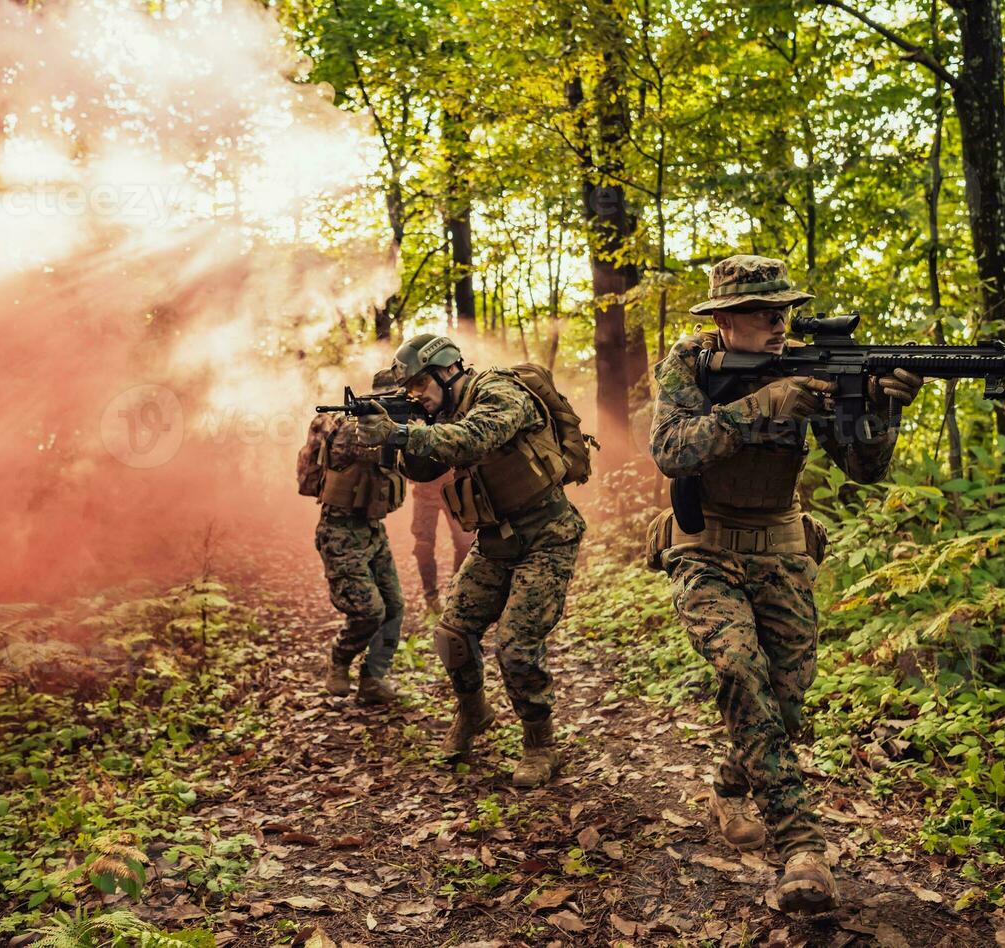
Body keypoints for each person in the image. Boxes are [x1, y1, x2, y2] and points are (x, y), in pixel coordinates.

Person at [648, 255, 923, 913]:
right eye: (763, 313)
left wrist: (881, 410)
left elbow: (862, 469)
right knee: (740, 668)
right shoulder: (689, 364)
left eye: (785, 312)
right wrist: (763, 404)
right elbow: (671, 450)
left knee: (786, 699)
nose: (779, 323)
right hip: (705, 546)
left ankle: (729, 786)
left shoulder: (811, 370)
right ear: (723, 319)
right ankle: (801, 849)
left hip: (781, 548)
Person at [354, 335, 585, 788]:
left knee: (516, 646)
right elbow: (422, 467)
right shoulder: (440, 412)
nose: (415, 394)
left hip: (547, 535)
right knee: (452, 634)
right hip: (495, 541)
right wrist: (388, 440)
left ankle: (541, 744)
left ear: (447, 369)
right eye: (410, 388)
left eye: (420, 383)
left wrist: (401, 431)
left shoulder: (498, 390)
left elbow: (473, 438)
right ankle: (474, 712)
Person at [296, 368, 409, 706]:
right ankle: (340, 658)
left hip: (373, 529)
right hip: (341, 532)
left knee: (394, 607)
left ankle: (373, 680)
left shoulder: (394, 426)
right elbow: (366, 448)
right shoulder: (351, 428)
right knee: (369, 611)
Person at [410, 473, 473, 617]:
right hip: (424, 492)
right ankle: (431, 598)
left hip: (454, 490)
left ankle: (455, 591)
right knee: (423, 547)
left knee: (465, 544)